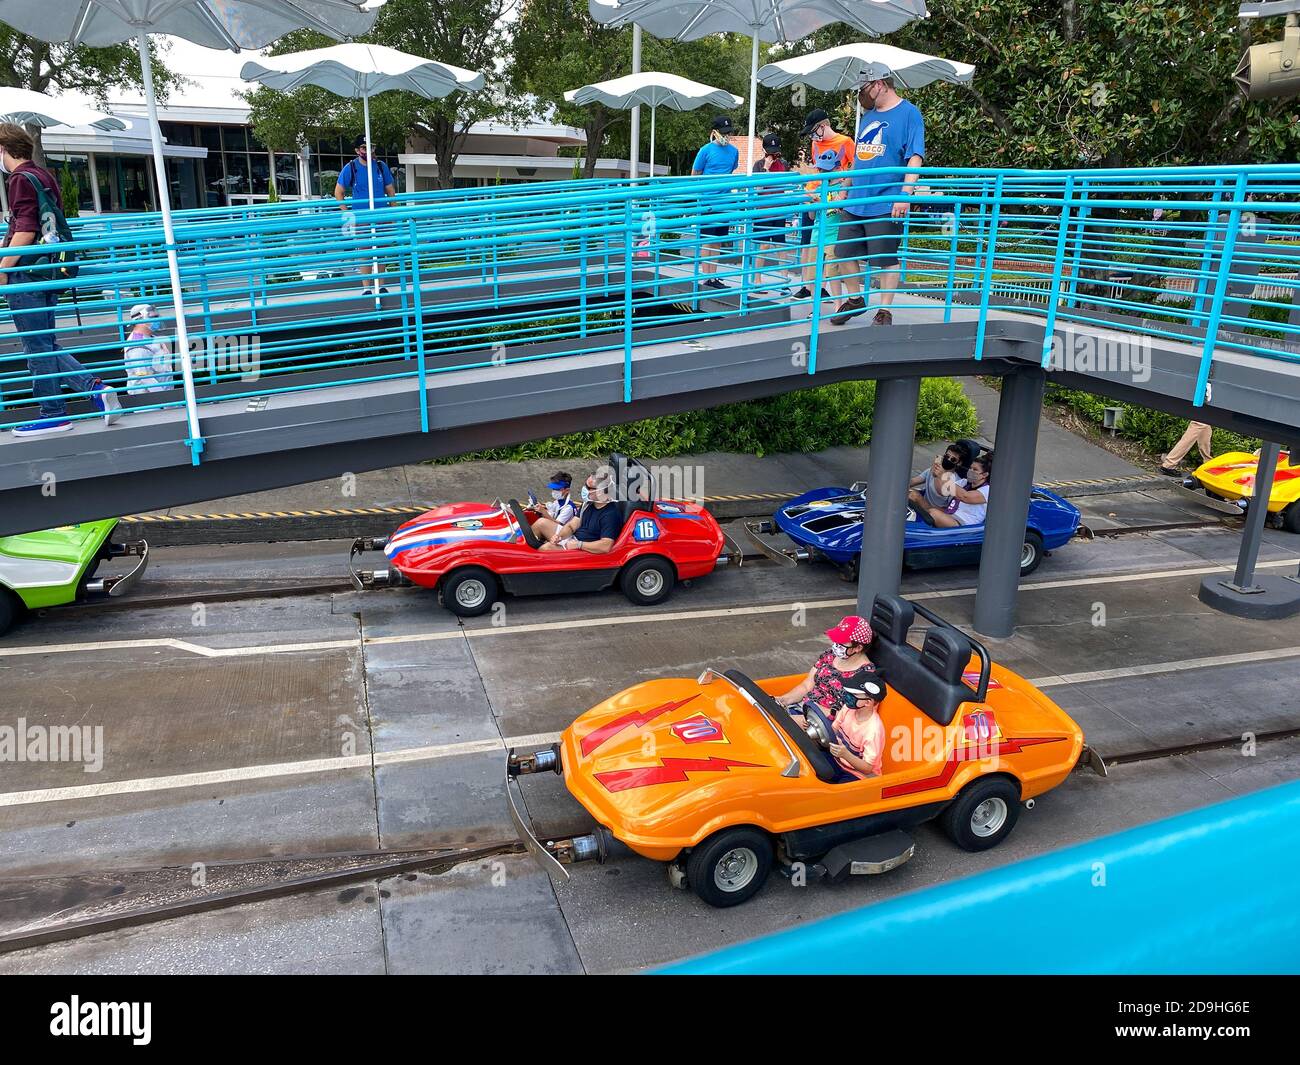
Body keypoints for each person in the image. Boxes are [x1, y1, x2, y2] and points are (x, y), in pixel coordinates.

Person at [0, 123, 121, 437]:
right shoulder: (43, 174)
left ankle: (56, 412)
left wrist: (2, 268)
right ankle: (92, 391)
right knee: (44, 343)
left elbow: (25, 229)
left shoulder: (18, 179)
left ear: (3, 149)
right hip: (50, 270)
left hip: (27, 273)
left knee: (37, 347)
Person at [832, 75, 926, 327]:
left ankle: (884, 310)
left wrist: (905, 194)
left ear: (879, 85)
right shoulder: (868, 117)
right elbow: (860, 158)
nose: (861, 95)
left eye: (864, 89)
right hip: (856, 201)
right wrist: (845, 186)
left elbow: (915, 157)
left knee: (885, 258)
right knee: (843, 253)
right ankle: (855, 299)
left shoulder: (910, 113)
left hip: (886, 199)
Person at [794, 109, 854, 301]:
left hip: (836, 202)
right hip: (815, 196)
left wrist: (843, 195)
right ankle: (811, 289)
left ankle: (827, 293)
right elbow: (817, 171)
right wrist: (809, 193)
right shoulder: (815, 144)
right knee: (810, 244)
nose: (812, 136)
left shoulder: (846, 142)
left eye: (813, 131)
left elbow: (855, 171)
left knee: (831, 254)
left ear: (823, 126)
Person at [774, 615, 876, 721]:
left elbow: (852, 717)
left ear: (858, 647)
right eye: (835, 640)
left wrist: (805, 718)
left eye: (840, 643)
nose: (835, 646)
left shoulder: (866, 676)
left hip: (825, 721)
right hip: (804, 707)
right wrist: (782, 700)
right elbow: (807, 685)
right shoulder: (830, 655)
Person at [334, 136, 396, 289]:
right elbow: (338, 192)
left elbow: (390, 191)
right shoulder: (351, 168)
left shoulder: (381, 166)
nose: (368, 150)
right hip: (362, 217)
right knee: (365, 252)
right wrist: (347, 214)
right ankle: (367, 288)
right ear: (357, 150)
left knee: (382, 251)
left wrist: (394, 214)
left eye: (371, 147)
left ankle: (380, 285)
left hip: (382, 215)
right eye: (364, 147)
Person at [691, 115, 740, 289]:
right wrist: (700, 193)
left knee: (718, 239)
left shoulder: (734, 151)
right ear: (715, 132)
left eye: (729, 132)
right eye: (723, 132)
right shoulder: (705, 150)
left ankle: (714, 275)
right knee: (707, 239)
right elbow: (695, 172)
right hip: (708, 201)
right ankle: (708, 277)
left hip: (724, 200)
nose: (726, 136)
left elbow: (732, 168)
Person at [750, 133, 796, 295]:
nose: (773, 155)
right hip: (763, 212)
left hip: (779, 211)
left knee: (781, 245)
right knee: (763, 245)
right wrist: (766, 169)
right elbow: (757, 190)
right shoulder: (758, 165)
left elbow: (788, 185)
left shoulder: (783, 164)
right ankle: (757, 281)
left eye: (775, 151)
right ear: (764, 150)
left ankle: (784, 281)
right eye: (770, 151)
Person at [540, 472, 624, 553]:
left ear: (601, 491)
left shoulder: (611, 515)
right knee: (541, 523)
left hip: (585, 550)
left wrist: (579, 545)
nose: (585, 489)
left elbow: (605, 546)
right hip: (574, 540)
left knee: (546, 548)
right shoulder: (587, 503)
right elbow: (571, 526)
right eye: (585, 485)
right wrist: (559, 536)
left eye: (588, 487)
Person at [828, 675, 888, 781]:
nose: (847, 697)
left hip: (859, 775)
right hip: (837, 760)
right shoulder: (847, 708)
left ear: (868, 702)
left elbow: (867, 769)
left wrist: (845, 754)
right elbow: (833, 730)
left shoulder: (874, 730)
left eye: (853, 695)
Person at [910, 452, 992, 528]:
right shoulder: (964, 482)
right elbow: (943, 491)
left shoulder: (987, 490)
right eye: (970, 468)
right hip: (949, 513)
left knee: (933, 513)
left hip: (962, 525)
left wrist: (943, 476)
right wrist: (937, 476)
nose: (970, 471)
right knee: (913, 495)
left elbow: (965, 496)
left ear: (984, 475)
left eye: (975, 470)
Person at [909, 439, 978, 511]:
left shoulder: (957, 483)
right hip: (920, 505)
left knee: (914, 495)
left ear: (959, 463)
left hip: (933, 514)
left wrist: (923, 504)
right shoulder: (933, 469)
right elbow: (914, 481)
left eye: (953, 459)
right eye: (947, 456)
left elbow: (948, 510)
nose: (948, 459)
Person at [122, 303, 174, 395]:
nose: (157, 319)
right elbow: (146, 379)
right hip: (150, 401)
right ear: (139, 320)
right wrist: (167, 401)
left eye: (157, 316)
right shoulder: (137, 346)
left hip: (163, 397)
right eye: (153, 317)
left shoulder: (151, 337)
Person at [529, 470, 579, 541]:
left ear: (567, 490)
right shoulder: (558, 502)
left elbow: (556, 524)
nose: (554, 491)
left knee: (541, 522)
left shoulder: (568, 508)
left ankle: (529, 542)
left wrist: (544, 512)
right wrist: (541, 508)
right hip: (557, 531)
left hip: (565, 536)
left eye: (558, 489)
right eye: (553, 489)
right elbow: (551, 510)